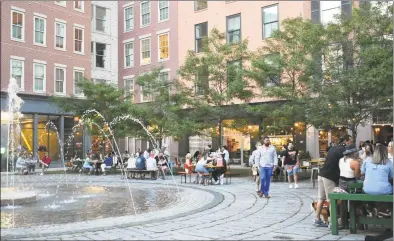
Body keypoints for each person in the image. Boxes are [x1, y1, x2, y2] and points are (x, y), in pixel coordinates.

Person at [314, 135, 353, 227]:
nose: (351, 143)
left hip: (322, 173)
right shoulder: (343, 150)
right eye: (350, 141)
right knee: (332, 200)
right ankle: (332, 223)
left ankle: (317, 219)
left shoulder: (333, 148)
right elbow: (346, 164)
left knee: (321, 198)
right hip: (330, 176)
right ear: (346, 141)